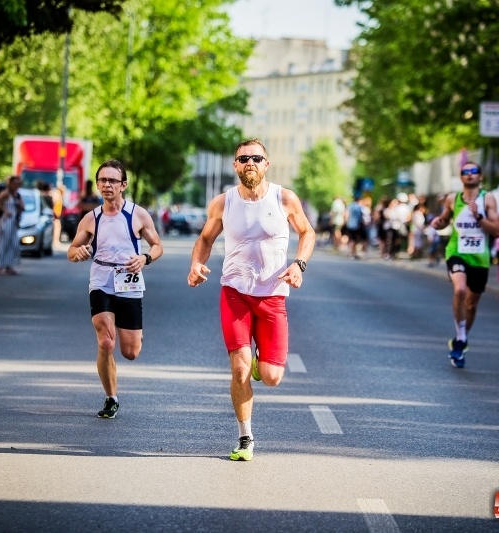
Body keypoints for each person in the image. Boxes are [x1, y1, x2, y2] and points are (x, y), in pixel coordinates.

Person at [187, 138, 315, 461]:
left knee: (271, 377)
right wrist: (196, 264)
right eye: (243, 159)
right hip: (235, 294)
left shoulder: (284, 198)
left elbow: (307, 232)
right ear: (235, 166)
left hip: (272, 296)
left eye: (256, 158)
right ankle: (245, 437)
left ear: (266, 164)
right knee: (240, 366)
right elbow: (205, 238)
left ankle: (261, 361)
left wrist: (299, 264)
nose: (250, 163)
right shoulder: (223, 203)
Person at [67, 159, 163, 419]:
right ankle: (111, 397)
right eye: (102, 180)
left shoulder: (137, 215)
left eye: (112, 180)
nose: (107, 184)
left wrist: (145, 258)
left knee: (130, 352)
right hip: (101, 280)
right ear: (98, 184)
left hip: (128, 280)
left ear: (123, 185)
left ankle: (135, 336)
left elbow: (157, 246)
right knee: (106, 341)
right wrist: (79, 253)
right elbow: (71, 251)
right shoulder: (91, 218)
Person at [430, 162, 499, 368]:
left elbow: (496, 230)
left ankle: (460, 340)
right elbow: (445, 220)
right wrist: (438, 223)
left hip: (479, 257)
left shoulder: (487, 198)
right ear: (461, 177)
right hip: (457, 252)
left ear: (480, 176)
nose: (470, 175)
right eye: (465, 172)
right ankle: (461, 338)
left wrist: (478, 216)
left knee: (471, 305)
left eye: (473, 172)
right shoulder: (453, 199)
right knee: (460, 289)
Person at [0, 176, 24, 275]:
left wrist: (20, 207)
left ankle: (9, 265)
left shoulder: (17, 195)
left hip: (13, 221)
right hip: (6, 221)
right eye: (14, 183)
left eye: (18, 184)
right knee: (2, 243)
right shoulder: (6, 193)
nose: (16, 186)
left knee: (12, 243)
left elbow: (22, 207)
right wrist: (5, 210)